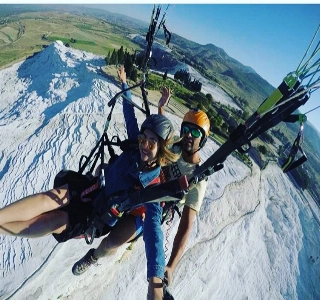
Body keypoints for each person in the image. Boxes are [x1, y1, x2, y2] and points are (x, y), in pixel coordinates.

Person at [0, 67, 179, 277]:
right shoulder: (134, 147)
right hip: (92, 186)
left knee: (55, 221)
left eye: (151, 142)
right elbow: (129, 114)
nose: (144, 146)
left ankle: (93, 257)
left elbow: (154, 231)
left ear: (162, 150)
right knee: (51, 198)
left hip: (100, 215)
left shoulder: (152, 187)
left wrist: (157, 274)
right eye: (142, 139)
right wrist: (124, 83)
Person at [144, 89, 210, 300]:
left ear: (204, 138)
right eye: (187, 129)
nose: (190, 134)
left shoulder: (198, 178)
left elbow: (186, 225)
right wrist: (162, 107)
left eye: (196, 132)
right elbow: (163, 136)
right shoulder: (176, 146)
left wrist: (171, 266)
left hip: (156, 206)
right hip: (144, 186)